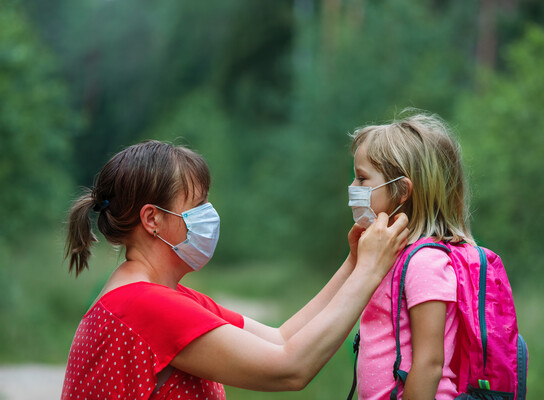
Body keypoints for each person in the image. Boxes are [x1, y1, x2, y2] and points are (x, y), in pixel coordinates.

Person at [61, 140, 409, 400]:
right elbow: (290, 368)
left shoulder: (157, 296)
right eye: (197, 205)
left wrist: (353, 263)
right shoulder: (143, 305)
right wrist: (370, 271)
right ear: (152, 219)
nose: (209, 215)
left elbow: (281, 338)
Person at [348, 111, 474, 400]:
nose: (353, 188)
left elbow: (430, 364)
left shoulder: (424, 263)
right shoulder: (390, 257)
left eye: (362, 178)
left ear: (402, 191)